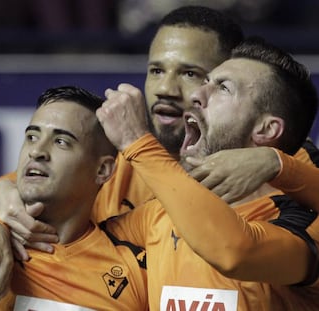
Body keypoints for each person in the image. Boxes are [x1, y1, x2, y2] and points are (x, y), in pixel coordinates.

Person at [95, 37, 319, 310]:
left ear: (266, 130)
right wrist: (28, 219)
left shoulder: (306, 223)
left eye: (223, 88)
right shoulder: (159, 214)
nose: (195, 95)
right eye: (206, 82)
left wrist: (138, 144)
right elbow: (75, 241)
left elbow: (235, 252)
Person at [0, 86, 148, 310]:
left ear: (102, 170)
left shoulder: (133, 271)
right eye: (31, 137)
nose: (37, 151)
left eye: (61, 142)